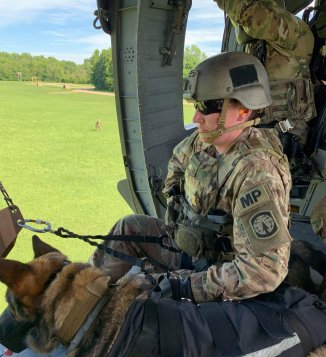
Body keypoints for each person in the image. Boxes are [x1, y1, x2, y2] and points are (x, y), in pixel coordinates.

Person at [90, 51, 292, 303]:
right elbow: (176, 170)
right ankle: (82, 293)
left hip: (217, 269)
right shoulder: (203, 141)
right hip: (188, 245)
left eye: (207, 107)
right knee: (127, 227)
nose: (196, 117)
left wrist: (184, 286)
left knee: (139, 296)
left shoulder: (257, 171)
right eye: (197, 106)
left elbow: (264, 271)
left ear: (243, 110)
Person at [213, 0, 316, 164]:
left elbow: (254, 16)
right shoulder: (254, 47)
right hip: (256, 132)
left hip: (286, 137)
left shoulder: (295, 31)